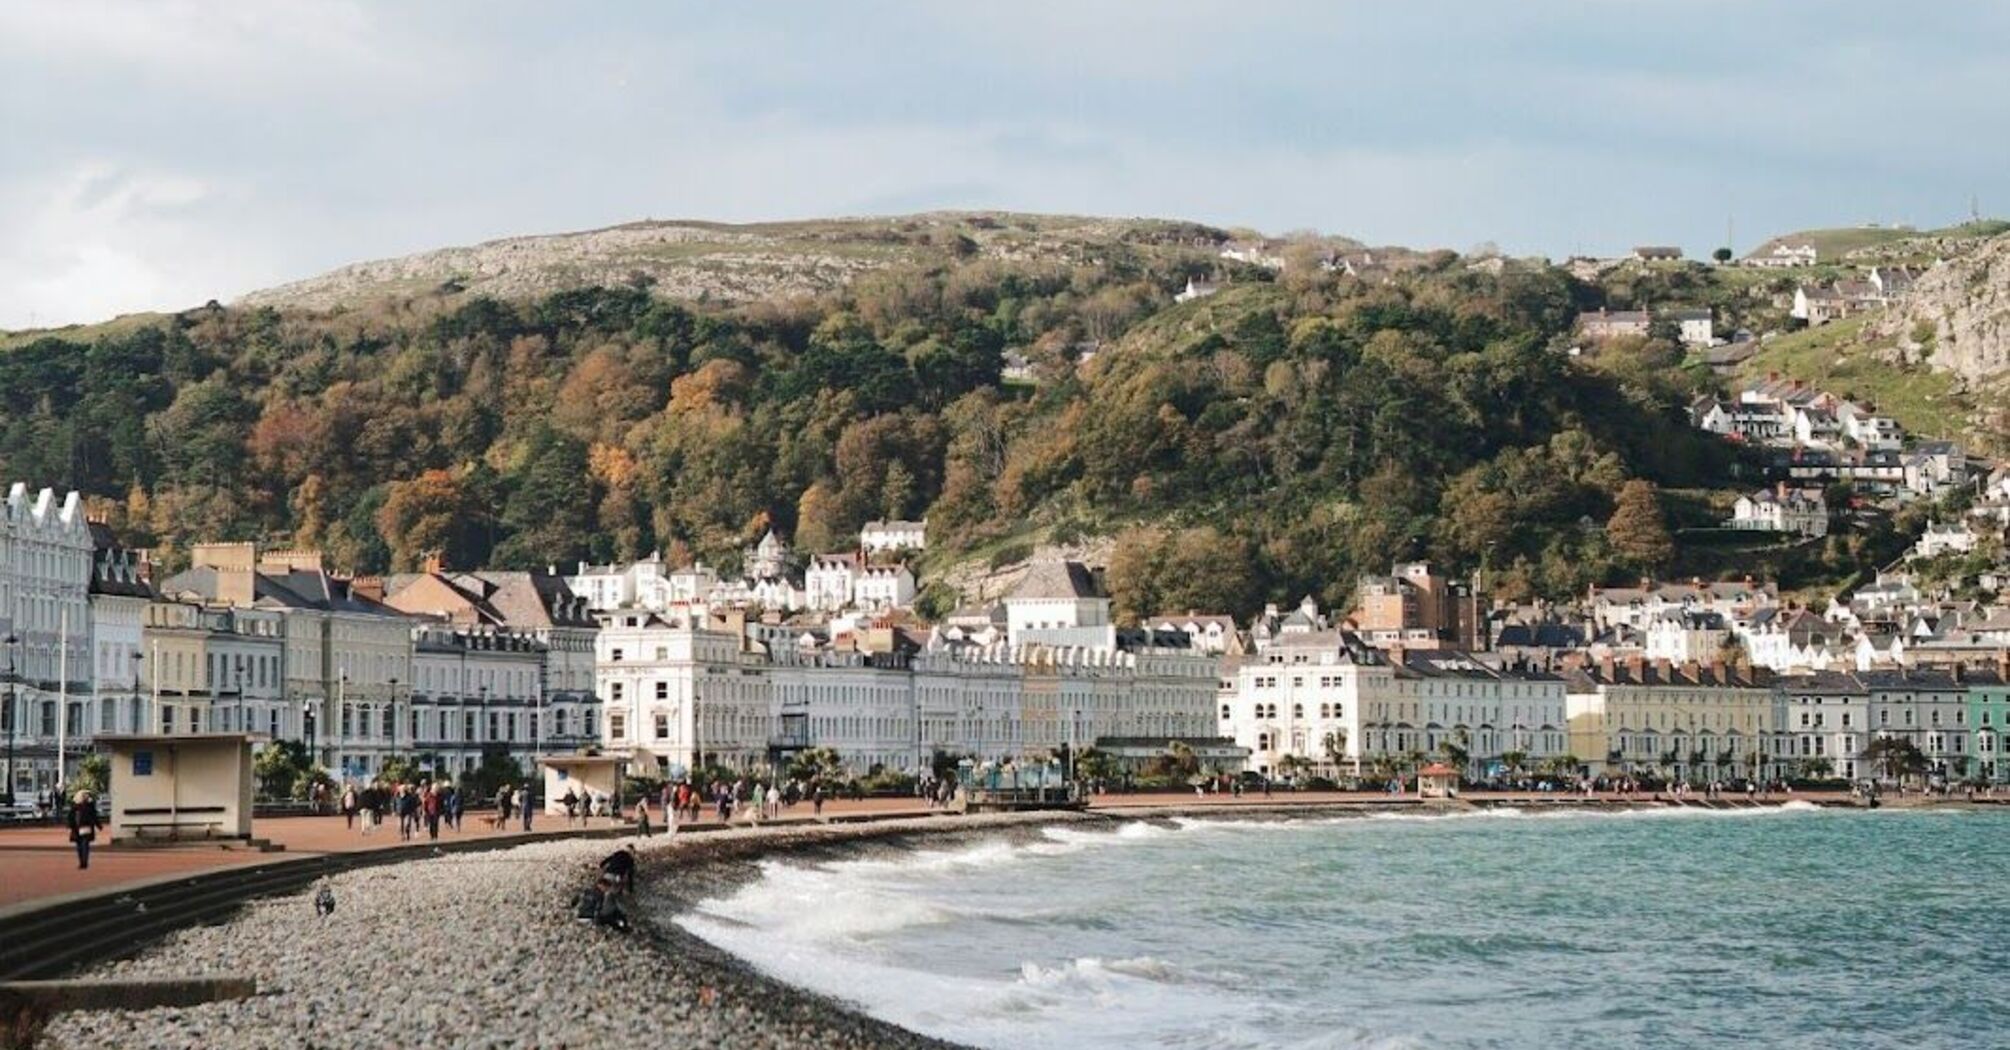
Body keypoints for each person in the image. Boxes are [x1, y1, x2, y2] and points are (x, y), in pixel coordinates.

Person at [67, 790, 101, 870]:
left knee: (84, 845)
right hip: (78, 828)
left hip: (85, 828)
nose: (86, 797)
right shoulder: (76, 807)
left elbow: (94, 816)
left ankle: (84, 862)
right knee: (81, 846)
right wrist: (71, 825)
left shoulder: (89, 806)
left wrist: (98, 825)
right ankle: (82, 861)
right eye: (85, 795)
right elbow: (71, 817)